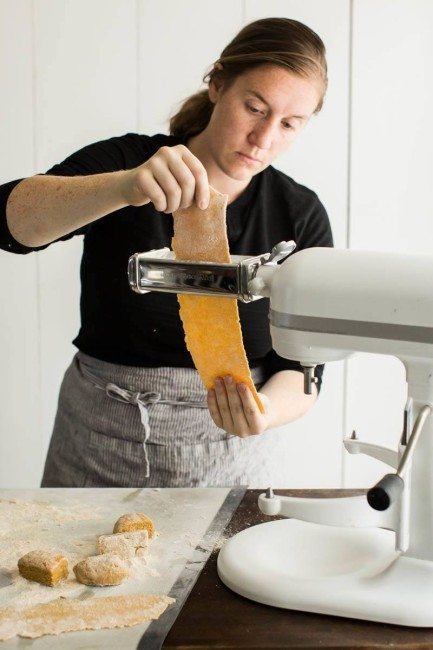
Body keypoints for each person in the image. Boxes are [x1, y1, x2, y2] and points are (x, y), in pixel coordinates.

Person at [0, 17, 333, 488]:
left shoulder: (299, 212)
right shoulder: (129, 164)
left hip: (231, 454)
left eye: (290, 124)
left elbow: (304, 368)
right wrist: (124, 187)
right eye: (255, 108)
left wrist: (262, 413)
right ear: (218, 84)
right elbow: (10, 224)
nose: (264, 138)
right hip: (97, 442)